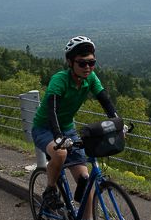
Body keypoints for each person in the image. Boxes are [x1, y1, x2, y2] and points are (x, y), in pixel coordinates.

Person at [32, 36, 119, 210]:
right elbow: (52, 110)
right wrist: (58, 137)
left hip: (67, 129)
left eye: (91, 63)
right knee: (61, 154)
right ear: (70, 62)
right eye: (82, 63)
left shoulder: (90, 78)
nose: (87, 67)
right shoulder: (60, 80)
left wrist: (117, 122)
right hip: (44, 129)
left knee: (85, 181)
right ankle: (50, 190)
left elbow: (105, 101)